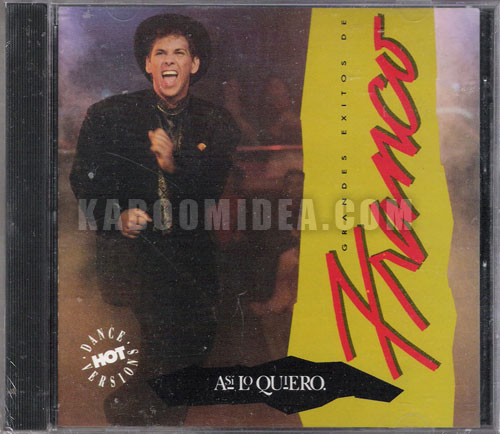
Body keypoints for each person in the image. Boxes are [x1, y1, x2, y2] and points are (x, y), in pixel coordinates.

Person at [70, 14, 240, 426]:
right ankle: (151, 419)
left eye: (178, 53)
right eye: (160, 53)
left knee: (194, 348)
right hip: (139, 256)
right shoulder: (110, 115)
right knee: (164, 346)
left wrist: (172, 162)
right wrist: (117, 217)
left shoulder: (216, 122)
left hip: (192, 257)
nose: (169, 61)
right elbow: (83, 180)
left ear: (193, 64)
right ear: (148, 64)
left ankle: (131, 409)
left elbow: (211, 189)